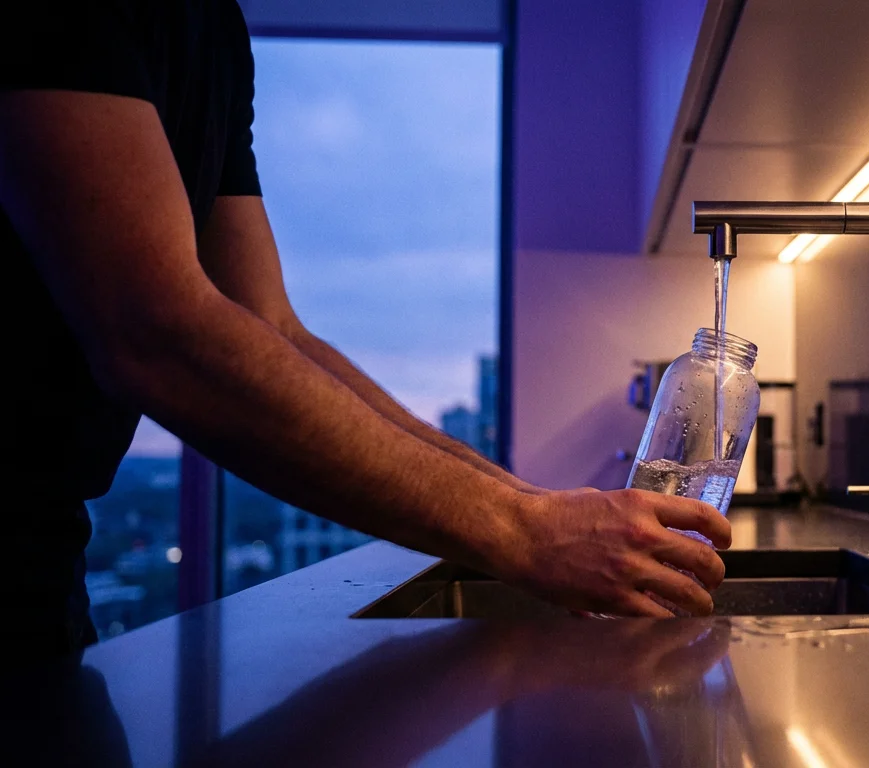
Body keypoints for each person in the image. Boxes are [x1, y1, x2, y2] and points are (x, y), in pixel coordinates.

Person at [0, 1, 729, 656]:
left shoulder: (215, 30)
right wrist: (521, 530)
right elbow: (158, 327)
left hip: (46, 552)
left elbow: (271, 326)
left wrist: (535, 512)